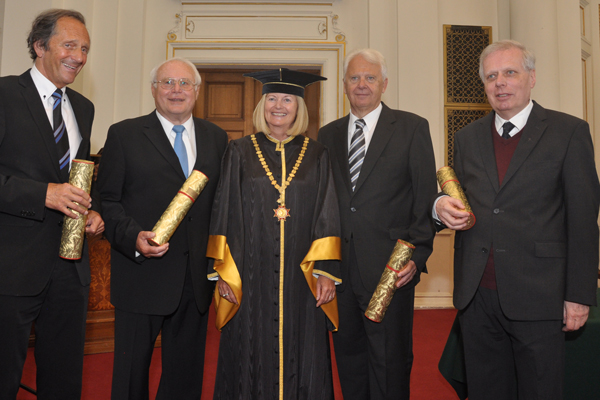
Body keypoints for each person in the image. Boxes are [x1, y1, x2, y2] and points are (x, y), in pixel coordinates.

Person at [434, 40, 600, 400]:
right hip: (477, 297)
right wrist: (440, 208)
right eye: (491, 76)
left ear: (532, 77)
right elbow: (458, 200)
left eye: (510, 72)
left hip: (540, 295)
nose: (500, 83)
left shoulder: (568, 132)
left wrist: (579, 295)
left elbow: (584, 220)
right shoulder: (466, 137)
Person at [96, 57, 228, 400]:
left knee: (185, 377)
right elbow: (107, 201)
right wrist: (133, 238)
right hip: (142, 274)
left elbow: (222, 205)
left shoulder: (216, 137)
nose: (176, 90)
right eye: (167, 83)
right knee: (131, 375)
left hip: (195, 280)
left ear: (197, 91)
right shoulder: (124, 134)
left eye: (185, 83)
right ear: (154, 90)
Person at [208, 68, 341, 400]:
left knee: (305, 351)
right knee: (248, 349)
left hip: (302, 275)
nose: (278, 106)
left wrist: (325, 272)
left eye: (287, 99)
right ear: (261, 105)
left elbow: (328, 212)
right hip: (249, 273)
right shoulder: (238, 151)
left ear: (299, 107)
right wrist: (221, 270)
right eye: (271, 98)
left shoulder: (317, 154)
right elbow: (223, 210)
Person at [318, 49, 437, 399]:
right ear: (344, 85)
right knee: (349, 360)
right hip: (341, 272)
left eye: (370, 78)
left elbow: (424, 198)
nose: (362, 84)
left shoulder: (412, 128)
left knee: (390, 362)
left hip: (391, 270)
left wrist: (417, 257)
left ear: (384, 84)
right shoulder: (328, 134)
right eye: (354, 78)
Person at [0, 9, 104, 399]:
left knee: (64, 379)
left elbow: (76, 178)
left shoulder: (84, 108)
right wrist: (42, 194)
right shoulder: (5, 94)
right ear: (39, 46)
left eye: (86, 48)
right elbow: (46, 186)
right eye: (70, 45)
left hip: (69, 269)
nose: (79, 56)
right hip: (10, 269)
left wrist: (91, 212)